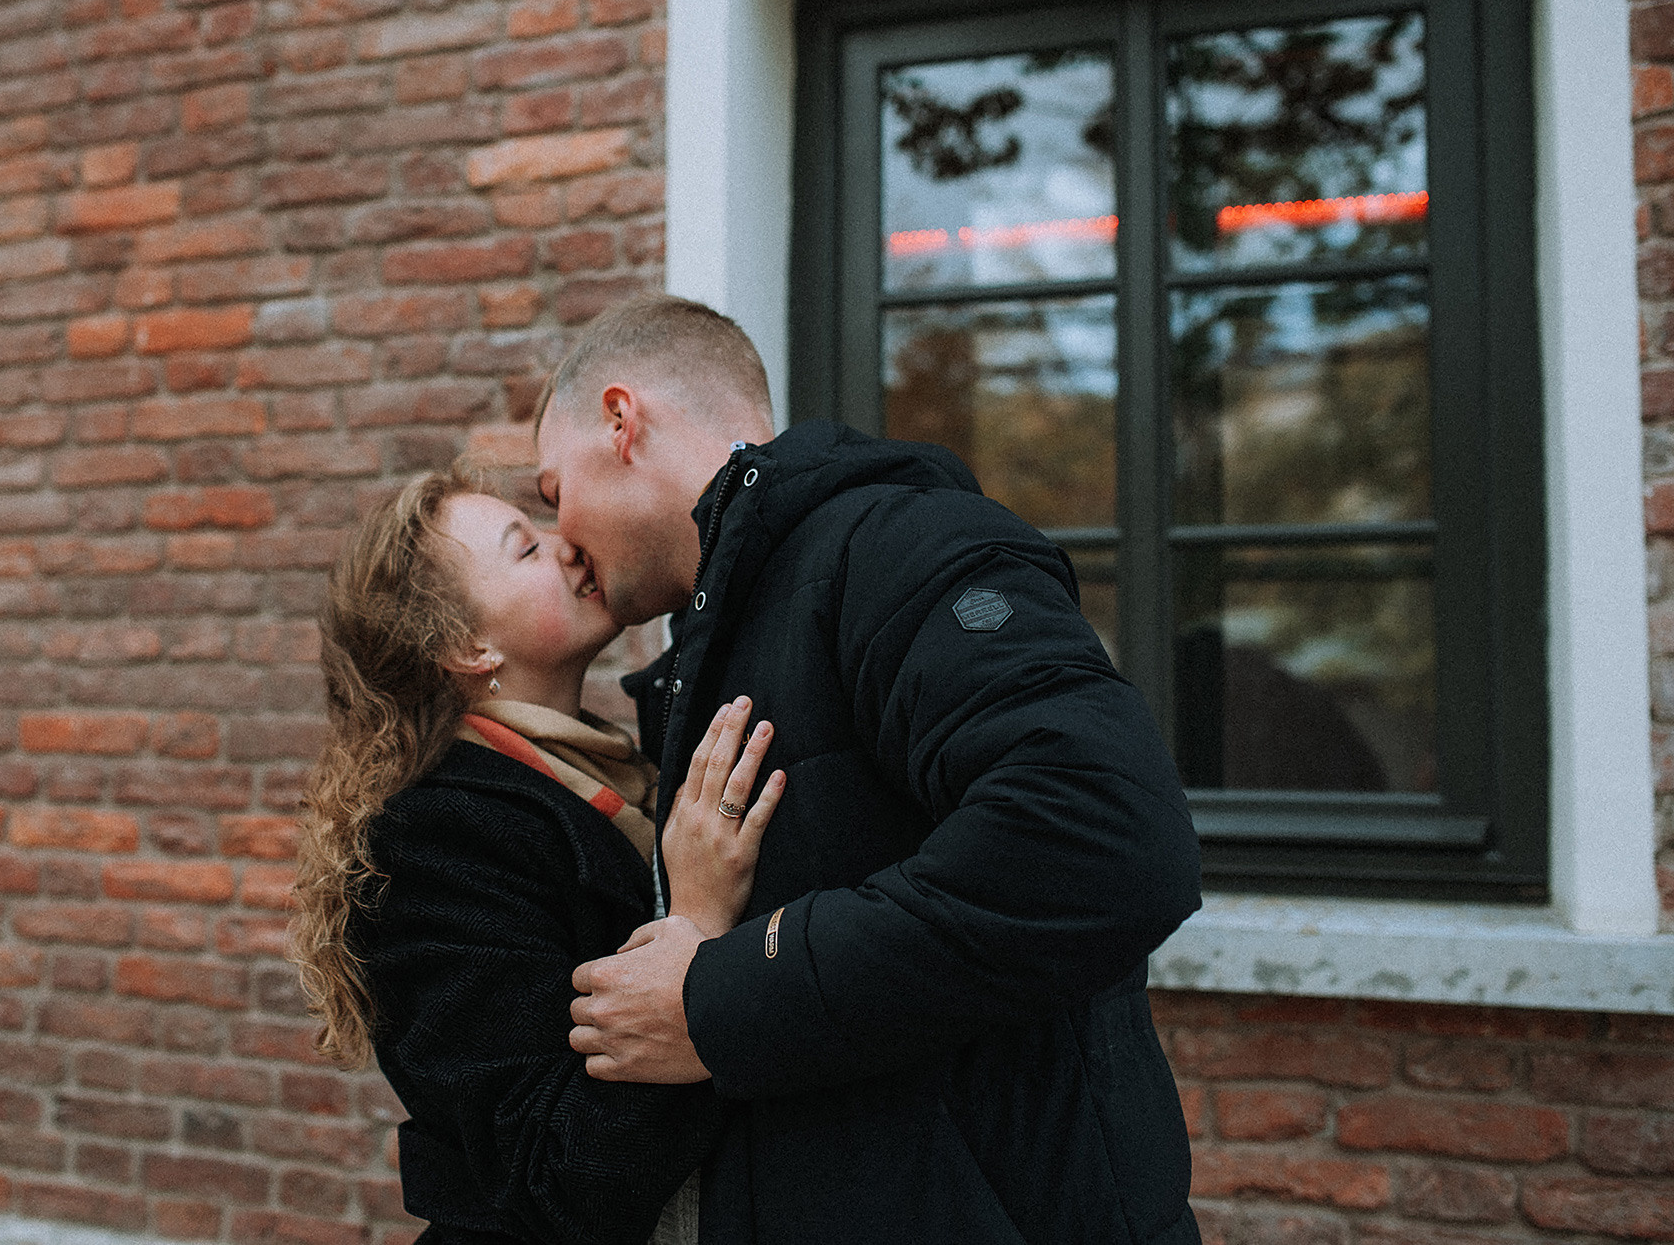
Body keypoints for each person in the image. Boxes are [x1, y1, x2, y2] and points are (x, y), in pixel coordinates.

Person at [536, 295, 1206, 1244]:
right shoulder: (723, 633)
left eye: (551, 490)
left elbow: (1105, 835)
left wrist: (718, 999)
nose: (560, 539)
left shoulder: (900, 546)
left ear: (620, 419)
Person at [289, 464, 786, 1245]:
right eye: (526, 550)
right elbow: (557, 1177)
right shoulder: (428, 838)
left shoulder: (615, 768)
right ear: (465, 645)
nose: (570, 547)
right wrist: (694, 926)